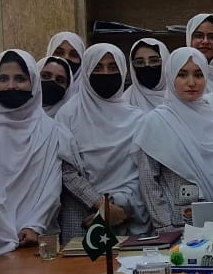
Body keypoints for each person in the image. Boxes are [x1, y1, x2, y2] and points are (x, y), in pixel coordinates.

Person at [0, 50, 81, 262]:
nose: (11, 86)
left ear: (33, 82)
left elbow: (51, 184)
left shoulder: (50, 130)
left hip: (32, 237)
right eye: (3, 78)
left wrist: (35, 225)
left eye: (20, 79)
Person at [136, 48, 213, 232]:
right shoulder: (156, 122)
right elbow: (149, 181)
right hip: (178, 227)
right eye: (182, 75)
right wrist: (165, 226)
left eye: (198, 75)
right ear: (170, 77)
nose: (191, 82)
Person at [55, 43, 149, 238]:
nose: (106, 73)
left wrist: (121, 209)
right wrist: (100, 205)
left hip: (130, 216)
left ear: (123, 71)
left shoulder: (138, 118)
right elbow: (66, 170)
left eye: (113, 67)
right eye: (98, 68)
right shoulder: (68, 115)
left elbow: (145, 174)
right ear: (86, 71)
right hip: (83, 216)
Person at [126, 38, 169, 111]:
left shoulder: (182, 96)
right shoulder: (126, 101)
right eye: (140, 62)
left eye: (154, 61)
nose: (147, 66)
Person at [46, 31, 87, 107]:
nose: (66, 58)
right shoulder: (36, 92)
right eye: (59, 53)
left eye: (73, 55)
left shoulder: (89, 98)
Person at [185, 13, 213, 86]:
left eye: (212, 37)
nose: (205, 41)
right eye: (199, 36)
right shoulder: (178, 73)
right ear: (189, 39)